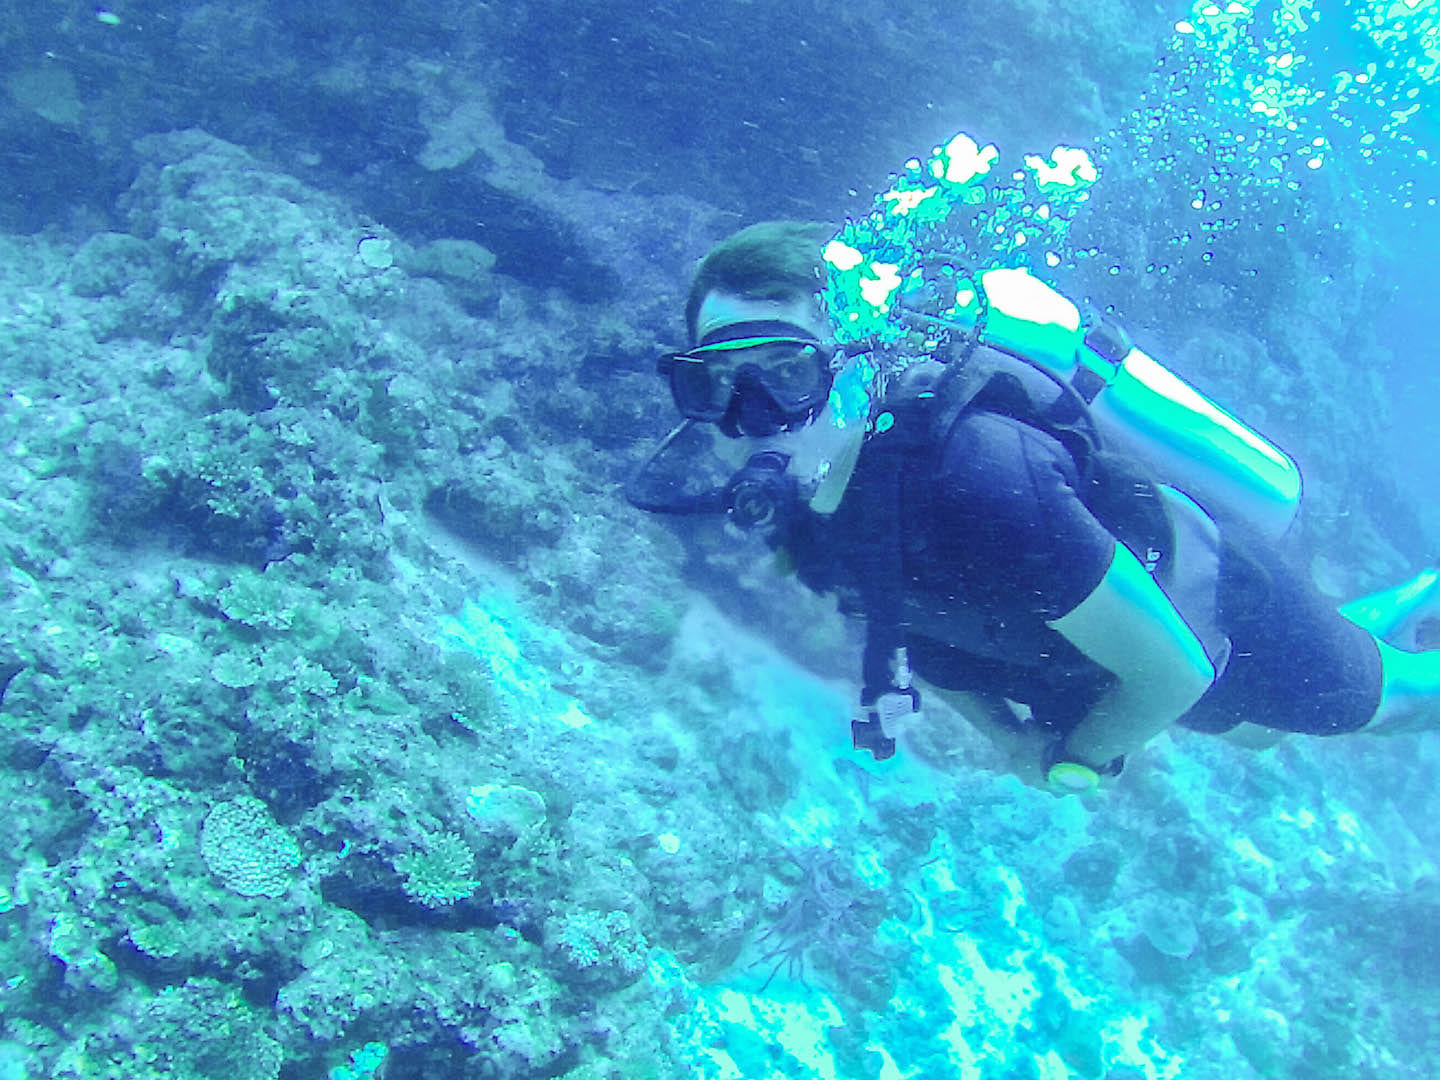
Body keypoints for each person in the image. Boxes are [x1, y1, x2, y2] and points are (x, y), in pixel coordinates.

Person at [628, 220, 1440, 795]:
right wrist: (1007, 736)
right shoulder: (806, 513)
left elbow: (1175, 671)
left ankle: (1401, 622)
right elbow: (904, 624)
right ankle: (1410, 595)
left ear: (856, 355)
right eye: (715, 387)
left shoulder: (980, 478)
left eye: (788, 373)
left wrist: (1071, 760)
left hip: (1224, 612)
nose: (755, 417)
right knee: (1261, 735)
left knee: (1391, 704)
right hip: (1097, 661)